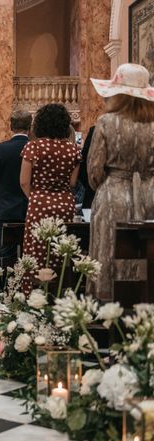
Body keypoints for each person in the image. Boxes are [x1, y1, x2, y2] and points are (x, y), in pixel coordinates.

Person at [87, 63, 154, 301]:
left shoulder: (107, 122)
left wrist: (108, 185)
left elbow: (94, 171)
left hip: (113, 194)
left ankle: (106, 305)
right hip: (150, 196)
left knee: (109, 251)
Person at [20, 103, 80, 290]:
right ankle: (59, 292)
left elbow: (24, 181)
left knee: (36, 250)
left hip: (39, 202)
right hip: (64, 203)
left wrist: (36, 198)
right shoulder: (73, 149)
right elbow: (72, 183)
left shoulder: (33, 146)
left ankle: (33, 294)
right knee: (60, 250)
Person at [0, 110, 32, 262]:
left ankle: (7, 285)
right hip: (30, 209)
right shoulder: (35, 148)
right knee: (29, 257)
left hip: (5, 209)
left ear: (11, 126)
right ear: (30, 127)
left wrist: (0, 194)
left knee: (7, 257)